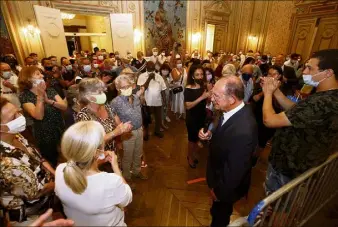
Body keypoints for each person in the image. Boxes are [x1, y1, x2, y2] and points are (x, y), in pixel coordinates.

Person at [262, 49, 338, 195]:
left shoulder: (324, 102)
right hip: (290, 166)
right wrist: (276, 91)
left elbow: (269, 120)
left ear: (328, 73)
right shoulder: (323, 95)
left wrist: (267, 93)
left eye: (310, 68)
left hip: (292, 170)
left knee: (278, 212)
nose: (304, 71)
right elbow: (297, 111)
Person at [199, 76, 257, 227]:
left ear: (231, 99)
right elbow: (226, 137)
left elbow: (235, 170)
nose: (212, 98)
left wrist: (219, 193)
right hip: (217, 175)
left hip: (224, 187)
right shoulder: (230, 111)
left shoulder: (244, 129)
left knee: (220, 216)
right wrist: (210, 135)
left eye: (216, 96)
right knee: (216, 212)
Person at [55, 121, 132, 226]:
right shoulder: (110, 182)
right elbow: (127, 198)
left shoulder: (60, 170)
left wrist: (97, 160)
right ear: (97, 152)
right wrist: (116, 167)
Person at [0, 97, 55, 225]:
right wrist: (63, 180)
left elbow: (36, 157)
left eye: (18, 111)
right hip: (31, 217)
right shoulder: (6, 163)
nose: (20, 117)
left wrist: (54, 172)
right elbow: (36, 191)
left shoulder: (15, 134)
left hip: (45, 200)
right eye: (13, 117)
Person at [18, 66, 67, 167]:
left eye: (41, 73)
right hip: (44, 133)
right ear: (27, 79)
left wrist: (49, 101)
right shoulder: (25, 95)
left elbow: (64, 107)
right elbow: (38, 116)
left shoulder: (50, 90)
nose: (42, 75)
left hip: (59, 127)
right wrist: (40, 97)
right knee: (52, 159)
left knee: (66, 154)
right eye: (37, 74)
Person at [76, 78, 132, 153]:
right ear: (87, 96)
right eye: (99, 92)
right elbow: (90, 144)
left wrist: (125, 128)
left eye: (103, 91)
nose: (103, 94)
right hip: (97, 159)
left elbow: (119, 125)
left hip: (112, 154)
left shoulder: (107, 107)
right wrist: (114, 133)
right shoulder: (83, 116)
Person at [111, 74, 148, 181]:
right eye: (123, 87)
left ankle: (137, 172)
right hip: (127, 134)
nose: (126, 89)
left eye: (128, 86)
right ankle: (126, 177)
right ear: (118, 88)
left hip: (139, 130)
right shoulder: (115, 102)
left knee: (138, 153)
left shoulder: (136, 98)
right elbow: (113, 118)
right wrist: (119, 135)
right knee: (127, 156)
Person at [184, 65, 210, 168]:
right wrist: (202, 97)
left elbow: (206, 102)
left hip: (202, 116)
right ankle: (189, 156)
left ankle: (194, 153)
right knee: (192, 139)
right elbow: (188, 106)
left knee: (200, 138)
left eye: (201, 74)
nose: (200, 77)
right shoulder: (188, 89)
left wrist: (209, 96)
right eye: (197, 75)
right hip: (192, 118)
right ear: (193, 76)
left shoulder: (203, 86)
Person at [137, 61, 167, 138]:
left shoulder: (159, 76)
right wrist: (149, 78)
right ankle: (146, 133)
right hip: (146, 102)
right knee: (146, 119)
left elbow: (163, 89)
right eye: (150, 69)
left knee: (158, 118)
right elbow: (141, 89)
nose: (152, 70)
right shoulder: (142, 76)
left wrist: (165, 101)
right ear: (146, 68)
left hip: (157, 101)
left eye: (153, 68)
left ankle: (157, 131)